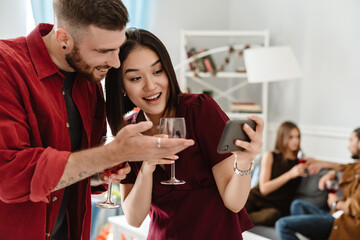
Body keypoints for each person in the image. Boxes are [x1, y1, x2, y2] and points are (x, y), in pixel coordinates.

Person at [0, 1, 194, 239]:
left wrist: (98, 173)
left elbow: (73, 173)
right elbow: (9, 177)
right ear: (64, 38)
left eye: (118, 48)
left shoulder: (90, 82)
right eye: (103, 51)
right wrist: (114, 153)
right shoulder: (6, 67)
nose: (115, 63)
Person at [104, 28, 264, 239]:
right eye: (135, 78)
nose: (151, 86)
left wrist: (244, 162)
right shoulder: (128, 131)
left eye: (157, 71)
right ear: (122, 86)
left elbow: (234, 203)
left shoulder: (200, 110)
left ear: (168, 71)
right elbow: (134, 217)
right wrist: (147, 167)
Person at [275, 127, 360, 240]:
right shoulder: (356, 166)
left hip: (343, 223)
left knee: (282, 224)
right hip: (335, 215)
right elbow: (342, 167)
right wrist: (331, 172)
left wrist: (336, 203)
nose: (348, 146)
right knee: (297, 204)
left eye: (351, 140)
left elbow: (357, 208)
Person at [245, 121, 310, 226]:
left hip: (274, 208)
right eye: (291, 137)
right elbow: (264, 189)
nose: (296, 141)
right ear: (282, 137)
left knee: (271, 216)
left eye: (297, 137)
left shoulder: (301, 161)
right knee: (233, 210)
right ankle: (236, 222)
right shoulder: (270, 156)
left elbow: (337, 166)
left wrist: (333, 172)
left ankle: (238, 222)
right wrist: (290, 174)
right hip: (255, 197)